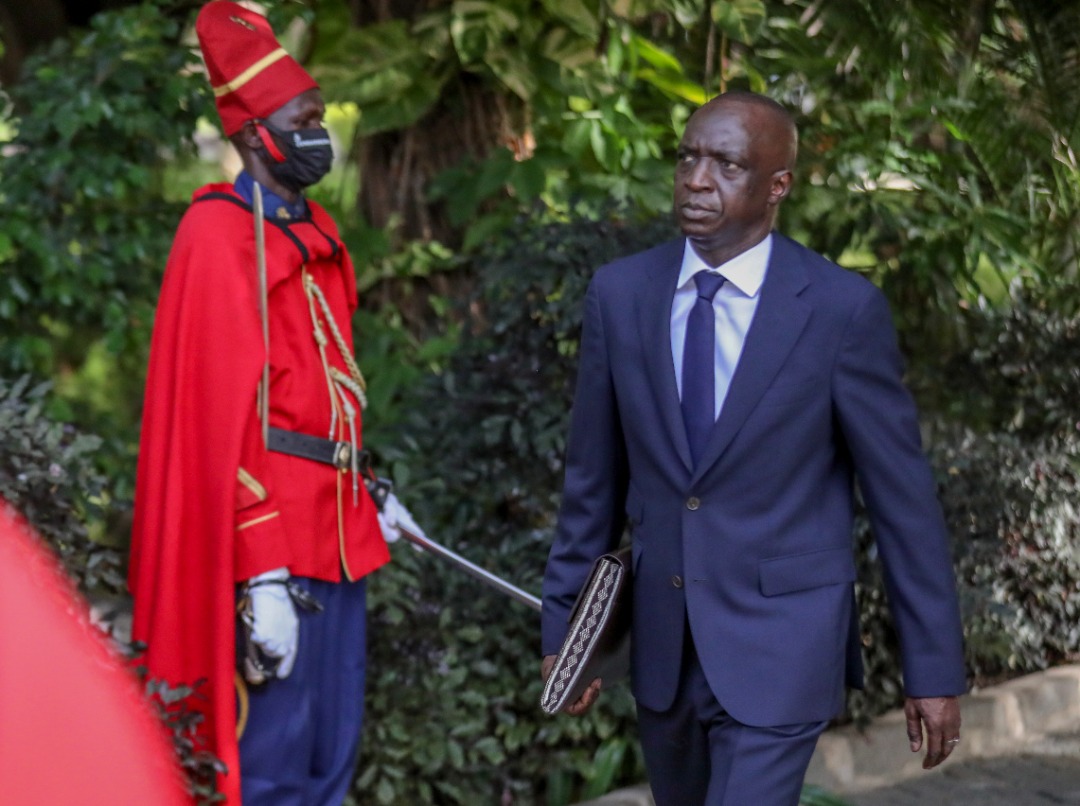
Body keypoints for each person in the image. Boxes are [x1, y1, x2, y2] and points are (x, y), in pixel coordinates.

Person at [540, 90, 966, 805]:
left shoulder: (839, 311)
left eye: (727, 163)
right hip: (664, 647)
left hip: (784, 643)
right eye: (688, 157)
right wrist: (568, 633)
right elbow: (592, 481)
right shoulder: (620, 296)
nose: (697, 179)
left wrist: (933, 669)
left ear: (778, 187)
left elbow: (903, 504)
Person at [129, 3, 421, 803]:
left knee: (331, 757)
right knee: (271, 770)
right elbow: (221, 424)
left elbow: (318, 400)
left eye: (319, 117)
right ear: (258, 134)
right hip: (272, 552)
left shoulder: (316, 228)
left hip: (337, 535)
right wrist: (260, 574)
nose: (319, 133)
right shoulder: (218, 237)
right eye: (304, 120)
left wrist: (368, 492)